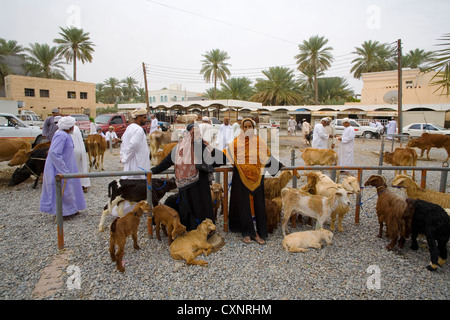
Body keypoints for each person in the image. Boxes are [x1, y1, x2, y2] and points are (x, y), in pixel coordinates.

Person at [151, 123, 223, 231]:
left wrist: (210, 148)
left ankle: (204, 231)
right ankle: (193, 231)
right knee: (190, 208)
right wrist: (152, 171)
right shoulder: (181, 148)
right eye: (193, 132)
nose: (195, 134)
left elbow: (220, 159)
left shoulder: (202, 146)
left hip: (198, 186)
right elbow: (166, 162)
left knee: (199, 208)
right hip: (189, 187)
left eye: (197, 132)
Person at [223, 118, 283, 245]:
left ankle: (259, 231)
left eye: (250, 126)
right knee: (244, 205)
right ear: (242, 128)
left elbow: (266, 157)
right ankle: (247, 232)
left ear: (253, 128)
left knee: (258, 205)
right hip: (241, 178)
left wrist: (277, 165)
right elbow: (226, 154)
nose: (247, 129)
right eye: (245, 127)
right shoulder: (236, 142)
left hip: (257, 177)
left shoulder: (259, 142)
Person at [39, 116, 86, 217]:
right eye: (73, 126)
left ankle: (71, 210)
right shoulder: (61, 136)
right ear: (69, 127)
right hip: (59, 168)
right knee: (63, 190)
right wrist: (63, 169)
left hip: (67, 166)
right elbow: (54, 153)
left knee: (69, 189)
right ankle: (62, 213)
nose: (74, 128)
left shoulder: (65, 135)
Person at [120, 108, 150, 180]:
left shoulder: (130, 127)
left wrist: (123, 156)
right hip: (137, 164)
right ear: (139, 118)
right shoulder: (138, 130)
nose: (146, 120)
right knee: (136, 185)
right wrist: (125, 158)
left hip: (131, 162)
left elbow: (123, 143)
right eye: (144, 117)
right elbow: (133, 146)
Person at [70, 121, 90, 193]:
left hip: (72, 152)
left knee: (72, 169)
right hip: (81, 150)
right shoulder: (76, 128)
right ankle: (83, 184)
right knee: (82, 168)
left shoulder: (61, 131)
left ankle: (73, 186)